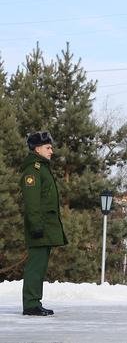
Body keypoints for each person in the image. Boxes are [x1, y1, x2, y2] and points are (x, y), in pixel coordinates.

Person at [20, 131, 67, 316]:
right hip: (39, 226)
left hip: (45, 225)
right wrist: (36, 226)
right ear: (37, 149)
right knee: (35, 265)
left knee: (40, 266)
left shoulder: (42, 168)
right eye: (48, 147)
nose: (51, 151)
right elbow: (32, 202)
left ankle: (34, 302)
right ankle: (31, 304)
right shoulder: (33, 170)